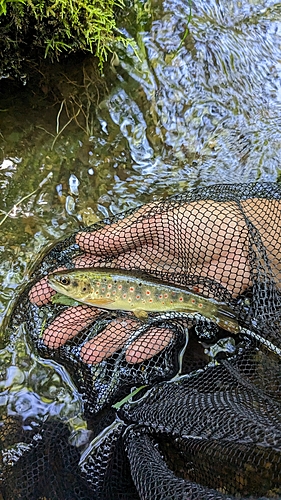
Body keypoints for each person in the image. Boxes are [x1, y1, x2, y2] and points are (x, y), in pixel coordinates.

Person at [29, 196, 281, 365]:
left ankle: (214, 310)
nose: (60, 284)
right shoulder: (90, 289)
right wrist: (254, 232)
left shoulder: (94, 295)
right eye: (65, 282)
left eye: (66, 283)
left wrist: (250, 233)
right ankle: (215, 310)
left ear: (83, 286)